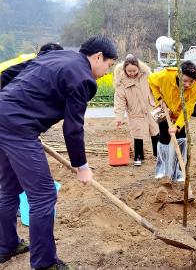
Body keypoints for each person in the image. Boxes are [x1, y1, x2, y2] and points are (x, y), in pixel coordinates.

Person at [0, 36, 118, 269]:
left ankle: (6, 245)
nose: (107, 72)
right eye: (109, 65)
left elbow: (6, 75)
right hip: (18, 129)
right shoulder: (84, 78)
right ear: (97, 57)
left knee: (9, 189)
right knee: (43, 197)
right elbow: (73, 128)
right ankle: (45, 264)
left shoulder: (54, 55)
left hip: (6, 120)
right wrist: (82, 166)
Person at [148, 61, 196, 181]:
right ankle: (163, 171)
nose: (188, 84)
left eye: (191, 81)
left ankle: (178, 172)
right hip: (165, 111)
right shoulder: (166, 76)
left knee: (181, 139)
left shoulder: (195, 87)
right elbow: (151, 80)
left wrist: (177, 126)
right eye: (185, 81)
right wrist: (159, 98)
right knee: (164, 139)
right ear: (178, 75)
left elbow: (188, 109)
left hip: (180, 116)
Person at [114, 54, 159, 166]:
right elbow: (119, 103)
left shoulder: (147, 76)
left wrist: (159, 102)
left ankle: (158, 154)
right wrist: (119, 118)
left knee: (155, 132)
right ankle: (138, 157)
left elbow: (156, 89)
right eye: (129, 71)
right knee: (137, 134)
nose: (132, 73)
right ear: (124, 69)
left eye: (134, 70)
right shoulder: (121, 83)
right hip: (135, 112)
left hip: (150, 109)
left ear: (139, 68)